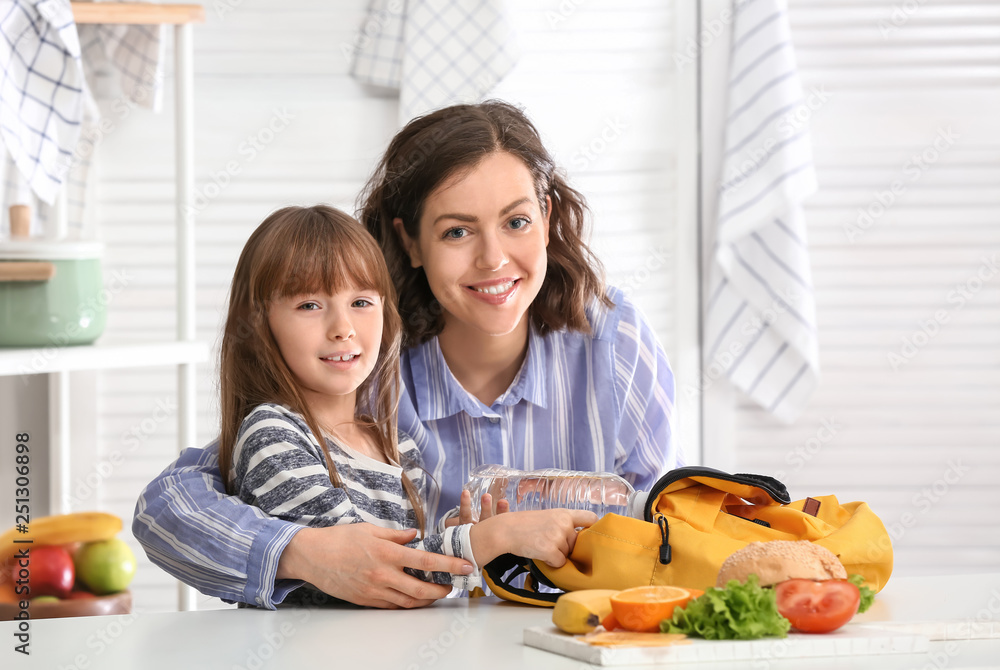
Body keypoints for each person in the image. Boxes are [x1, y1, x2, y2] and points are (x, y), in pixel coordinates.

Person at [133, 100, 680, 610]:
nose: (494, 260)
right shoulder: (362, 360)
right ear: (411, 242)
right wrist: (302, 551)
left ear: (547, 215)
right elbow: (168, 506)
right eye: (457, 231)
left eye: (516, 222)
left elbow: (661, 526)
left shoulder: (614, 343)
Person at [215, 204, 595, 606]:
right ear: (260, 325)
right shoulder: (273, 437)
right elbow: (371, 576)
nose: (342, 328)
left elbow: (415, 578)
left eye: (361, 302)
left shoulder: (393, 441)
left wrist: (457, 535)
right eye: (310, 305)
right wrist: (487, 539)